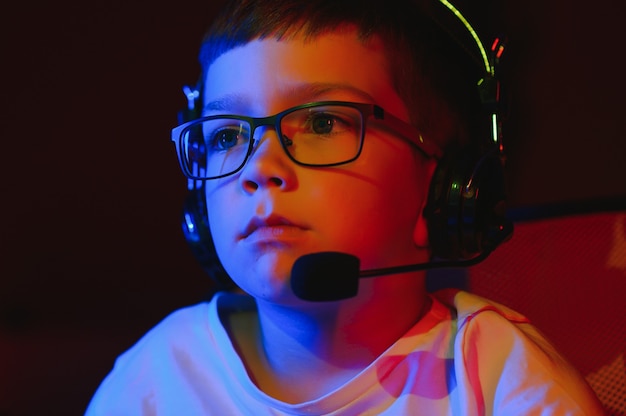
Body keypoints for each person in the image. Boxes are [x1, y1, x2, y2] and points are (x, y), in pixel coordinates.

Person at [86, 0, 605, 414]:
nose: (258, 167)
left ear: (444, 188)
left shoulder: (499, 380)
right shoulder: (157, 381)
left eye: (321, 123)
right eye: (225, 134)